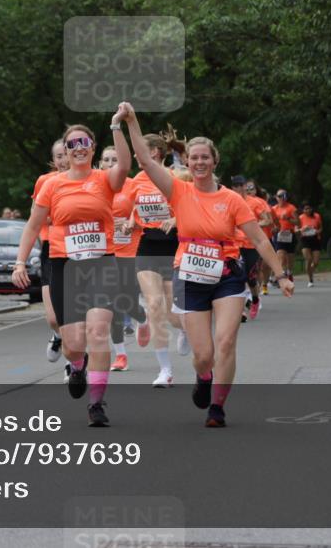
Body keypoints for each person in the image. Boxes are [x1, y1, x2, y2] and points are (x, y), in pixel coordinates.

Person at [125, 103, 294, 427]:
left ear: (214, 161)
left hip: (227, 274)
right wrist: (132, 121)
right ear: (187, 162)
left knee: (227, 341)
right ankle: (204, 377)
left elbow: (259, 240)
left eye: (206, 157)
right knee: (203, 355)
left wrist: (282, 275)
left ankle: (217, 406)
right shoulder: (178, 190)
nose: (200, 161)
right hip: (189, 275)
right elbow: (145, 160)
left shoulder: (231, 199)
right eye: (194, 157)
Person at [13, 112, 132, 427]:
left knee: (98, 332)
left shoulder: (104, 180)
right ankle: (77, 366)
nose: (79, 147)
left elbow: (125, 164)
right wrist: (20, 261)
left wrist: (116, 125)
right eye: (72, 143)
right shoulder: (52, 186)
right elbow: (32, 226)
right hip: (65, 265)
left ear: (92, 148)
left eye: (84, 142)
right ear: (64, 151)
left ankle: (96, 402)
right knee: (74, 343)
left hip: (101, 263)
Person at [126, 130, 192, 388]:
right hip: (148, 246)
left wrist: (175, 219)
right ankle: (165, 370)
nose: (135, 154)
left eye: (139, 149)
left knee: (172, 312)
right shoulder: (136, 181)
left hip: (174, 246)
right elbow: (130, 206)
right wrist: (128, 222)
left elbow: (192, 206)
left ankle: (185, 329)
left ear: (153, 152)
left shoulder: (177, 177)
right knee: (153, 305)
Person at [99, 145, 143, 372]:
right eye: (107, 159)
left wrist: (130, 221)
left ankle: (142, 320)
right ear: (100, 164)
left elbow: (142, 209)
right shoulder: (94, 186)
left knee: (128, 302)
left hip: (129, 251)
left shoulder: (133, 184)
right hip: (105, 253)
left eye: (115, 159)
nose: (111, 163)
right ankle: (121, 355)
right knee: (113, 305)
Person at [31, 140, 70, 363]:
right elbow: (35, 218)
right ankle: (56, 335)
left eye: (66, 154)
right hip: (52, 249)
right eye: (58, 156)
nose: (63, 160)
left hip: (79, 250)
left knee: (75, 316)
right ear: (53, 160)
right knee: (54, 318)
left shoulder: (88, 179)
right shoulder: (45, 182)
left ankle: (72, 364)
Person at [230, 175, 274, 319]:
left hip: (251, 245)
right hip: (235, 245)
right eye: (235, 186)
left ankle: (255, 299)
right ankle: (241, 310)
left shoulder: (255, 203)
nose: (238, 188)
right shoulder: (229, 201)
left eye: (240, 185)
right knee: (238, 277)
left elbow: (268, 220)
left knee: (250, 278)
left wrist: (251, 226)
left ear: (244, 186)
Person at [271, 189, 300, 281]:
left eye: (283, 196)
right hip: (279, 234)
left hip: (289, 234)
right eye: (279, 196)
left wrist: (288, 219)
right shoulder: (273, 209)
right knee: (281, 255)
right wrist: (273, 228)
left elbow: (298, 223)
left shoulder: (291, 208)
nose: (281, 198)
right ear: (276, 197)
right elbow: (271, 221)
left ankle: (289, 272)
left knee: (290, 257)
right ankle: (281, 276)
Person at [299, 202, 324, 287]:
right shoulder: (300, 218)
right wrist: (302, 229)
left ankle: (310, 270)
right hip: (305, 239)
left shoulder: (317, 216)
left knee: (316, 262)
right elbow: (296, 229)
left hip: (315, 239)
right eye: (305, 209)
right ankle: (310, 279)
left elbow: (321, 227)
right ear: (302, 210)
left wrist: (317, 231)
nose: (308, 210)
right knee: (309, 259)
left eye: (309, 208)